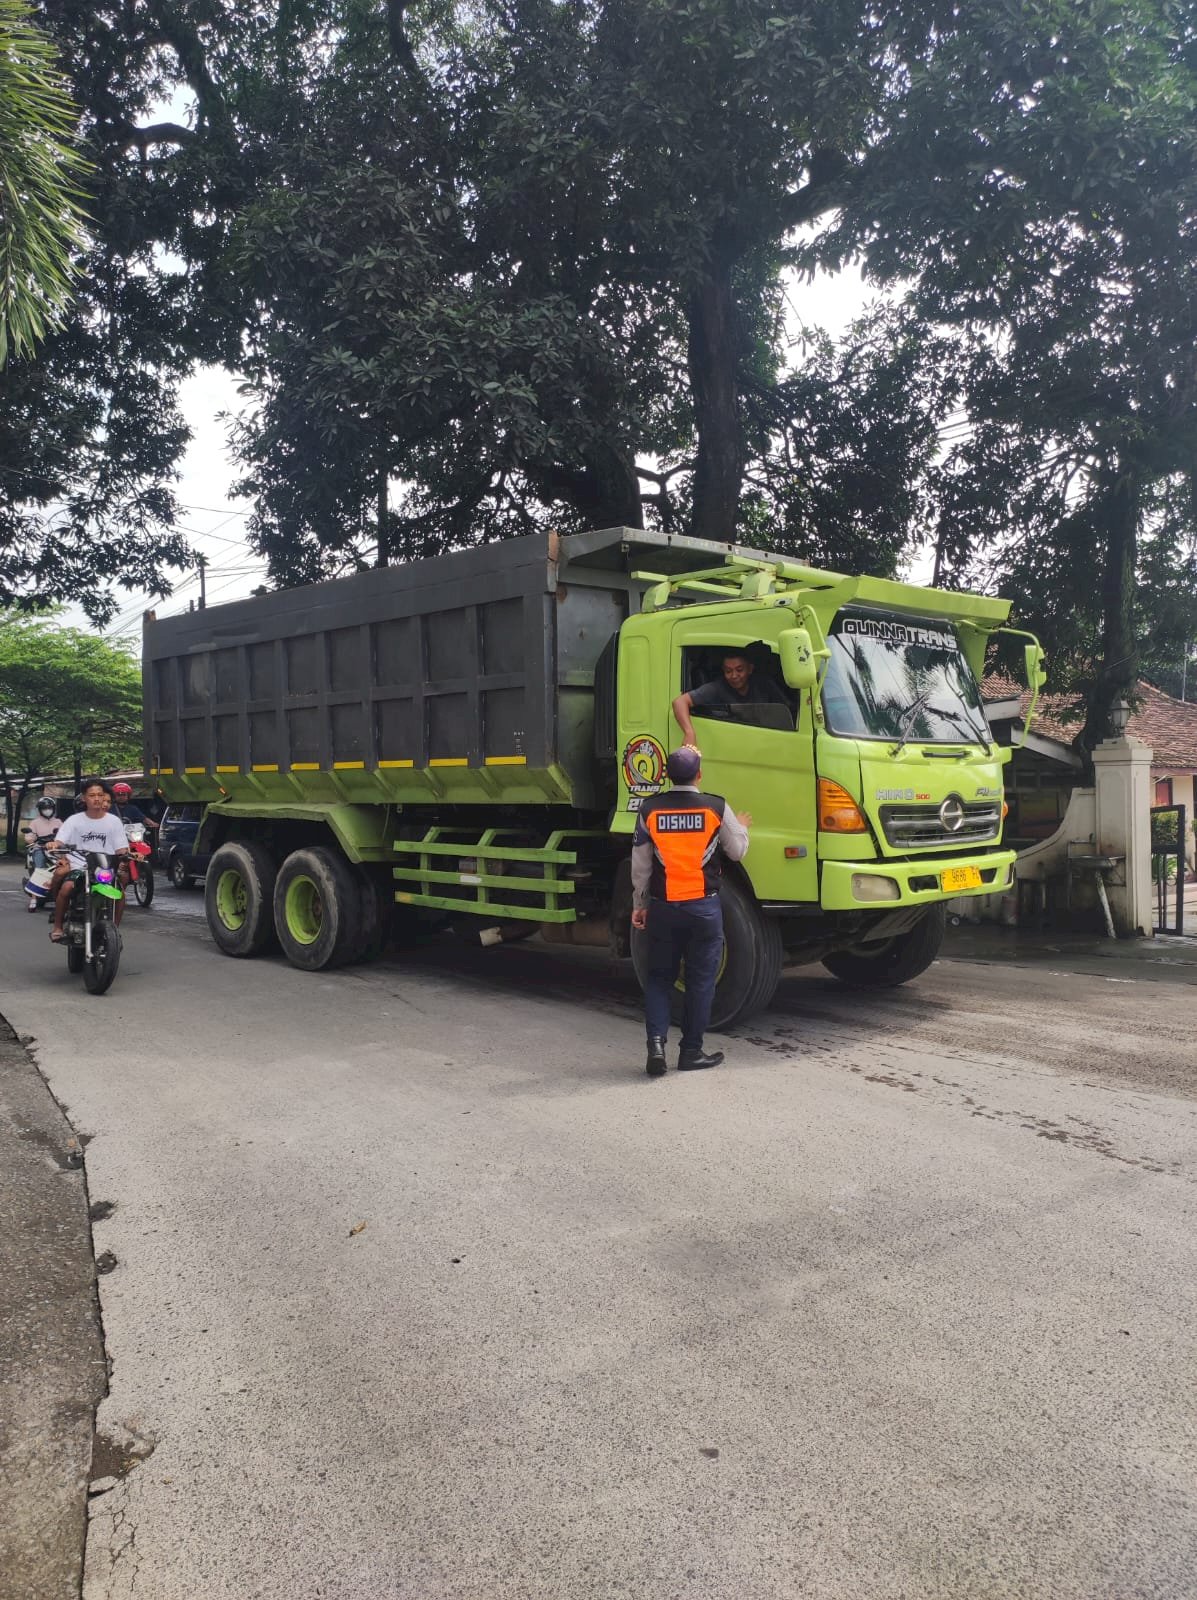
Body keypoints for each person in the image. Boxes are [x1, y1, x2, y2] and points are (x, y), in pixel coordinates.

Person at [630, 746, 751, 1076]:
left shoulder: (650, 809)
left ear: (668, 775)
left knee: (658, 979)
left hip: (664, 908)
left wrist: (640, 905)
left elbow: (641, 866)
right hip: (703, 909)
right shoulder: (715, 806)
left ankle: (656, 1046)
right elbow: (737, 851)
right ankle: (691, 1053)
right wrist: (740, 826)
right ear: (699, 774)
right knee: (700, 982)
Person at [46, 779, 131, 941]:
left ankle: (114, 931)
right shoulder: (74, 820)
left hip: (103, 868)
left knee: (120, 895)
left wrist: (126, 855)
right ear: (84, 798)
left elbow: (121, 848)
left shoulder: (114, 821)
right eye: (92, 795)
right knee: (66, 888)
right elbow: (60, 841)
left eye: (100, 795)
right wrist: (54, 844)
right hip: (79, 867)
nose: (97, 798)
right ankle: (57, 926)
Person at [672, 649, 791, 746]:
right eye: (728, 671)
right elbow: (679, 702)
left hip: (767, 741)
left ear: (750, 669)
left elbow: (788, 708)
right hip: (732, 742)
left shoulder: (764, 684)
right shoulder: (717, 687)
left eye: (739, 670)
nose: (734, 676)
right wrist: (689, 733)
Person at [22, 797, 61, 911]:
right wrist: (32, 839)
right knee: (39, 869)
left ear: (53, 809)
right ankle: (33, 899)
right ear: (40, 810)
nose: (47, 810)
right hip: (40, 848)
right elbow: (29, 837)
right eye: (44, 808)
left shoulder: (58, 822)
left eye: (49, 808)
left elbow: (65, 835)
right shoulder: (35, 822)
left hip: (56, 850)